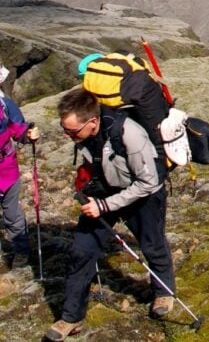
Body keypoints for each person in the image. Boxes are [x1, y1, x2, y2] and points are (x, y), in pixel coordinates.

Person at [46, 88, 175, 342]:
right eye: (65, 129)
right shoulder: (83, 134)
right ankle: (71, 317)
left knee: (152, 245)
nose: (67, 135)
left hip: (144, 195)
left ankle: (164, 291)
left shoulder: (131, 134)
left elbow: (148, 182)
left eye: (72, 131)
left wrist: (105, 207)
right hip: (104, 192)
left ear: (92, 122)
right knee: (81, 250)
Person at [0, 73, 40, 269]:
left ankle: (21, 253)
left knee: (12, 215)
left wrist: (29, 135)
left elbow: (19, 131)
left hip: (6, 171)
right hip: (7, 168)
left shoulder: (5, 106)